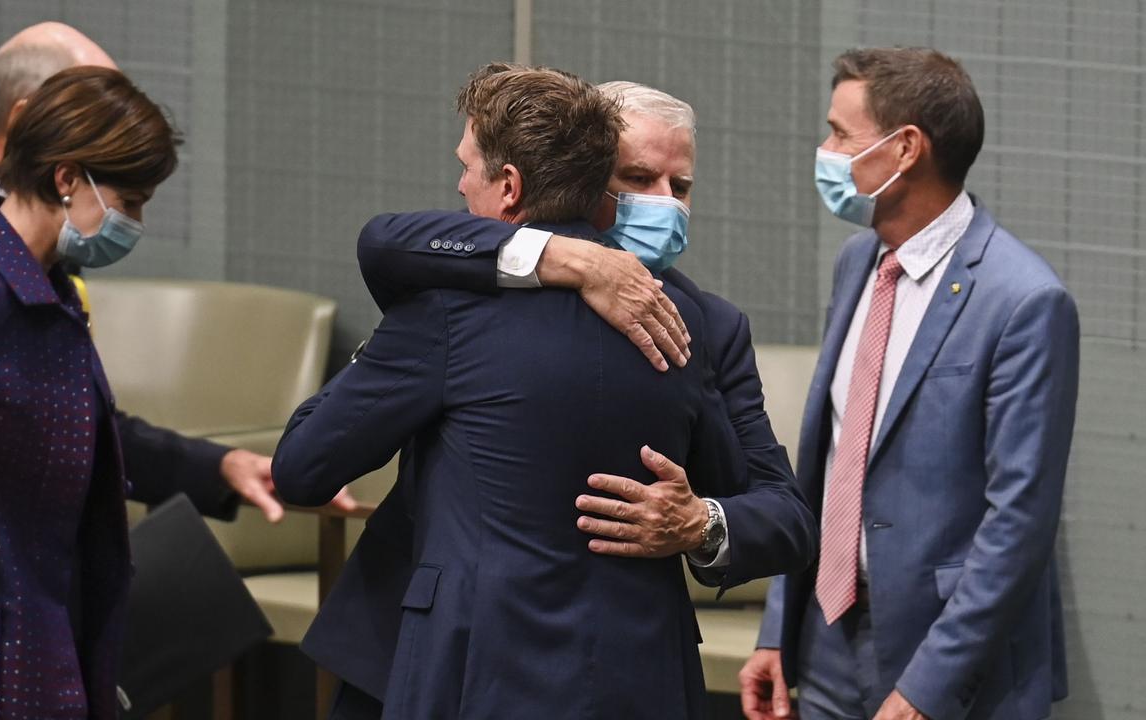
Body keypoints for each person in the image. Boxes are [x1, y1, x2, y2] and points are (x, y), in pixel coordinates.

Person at [305, 80, 817, 718]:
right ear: (584, 176)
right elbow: (384, 239)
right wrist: (563, 257)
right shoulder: (466, 281)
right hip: (425, 648)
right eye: (637, 178)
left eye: (679, 187)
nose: (663, 205)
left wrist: (701, 521)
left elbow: (785, 515)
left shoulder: (703, 325)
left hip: (618, 667)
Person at [0, 22, 354, 525]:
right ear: (41, 127)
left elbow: (68, 423)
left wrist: (217, 466)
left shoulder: (48, 241)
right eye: (98, 108)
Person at [739, 48, 1079, 720]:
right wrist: (780, 628)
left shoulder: (1024, 301)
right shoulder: (857, 262)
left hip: (953, 665)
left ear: (906, 149)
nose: (824, 150)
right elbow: (828, 464)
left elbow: (1019, 522)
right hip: (827, 641)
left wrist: (929, 686)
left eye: (841, 133)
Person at [0, 66, 180, 719]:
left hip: (40, 627)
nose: (133, 222)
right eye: (130, 201)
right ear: (66, 179)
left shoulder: (41, 285)